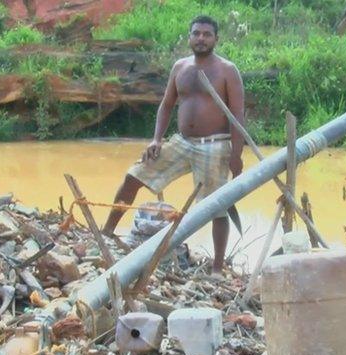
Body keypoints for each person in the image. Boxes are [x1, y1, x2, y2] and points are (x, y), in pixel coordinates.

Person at [102, 15, 245, 275]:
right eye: (196, 33)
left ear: (216, 39)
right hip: (181, 142)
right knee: (134, 176)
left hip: (215, 145)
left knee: (218, 206)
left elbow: (237, 115)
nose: (201, 38)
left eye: (206, 34)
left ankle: (216, 267)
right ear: (189, 37)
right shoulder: (180, 67)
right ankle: (106, 232)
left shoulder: (227, 70)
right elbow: (166, 105)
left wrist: (237, 153)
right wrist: (157, 138)